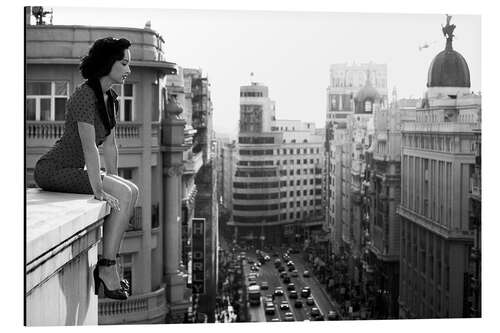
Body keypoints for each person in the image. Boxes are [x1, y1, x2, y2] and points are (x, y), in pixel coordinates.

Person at [33, 37, 138, 300]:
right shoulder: (84, 96)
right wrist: (100, 189)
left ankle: (107, 265)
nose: (128, 70)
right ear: (107, 63)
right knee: (124, 193)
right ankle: (107, 269)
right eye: (124, 63)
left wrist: (113, 179)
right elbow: (90, 147)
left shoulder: (110, 98)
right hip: (53, 169)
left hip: (75, 171)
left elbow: (110, 146)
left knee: (131, 190)